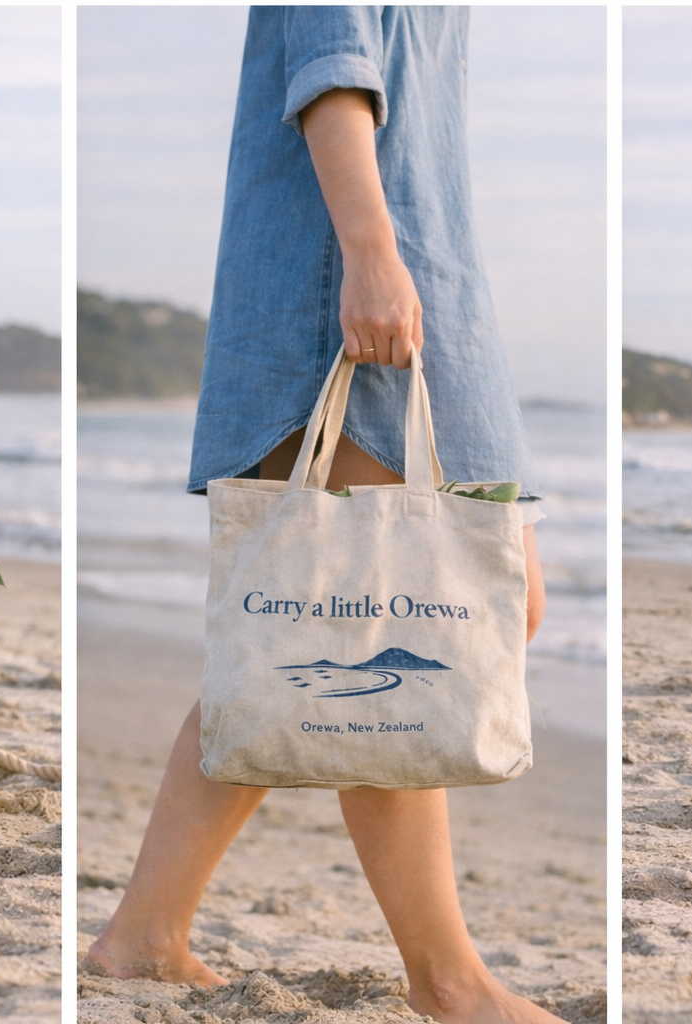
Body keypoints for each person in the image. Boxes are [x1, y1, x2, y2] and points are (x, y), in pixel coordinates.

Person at [86, 9, 560, 1023]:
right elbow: (331, 75)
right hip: (347, 287)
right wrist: (370, 252)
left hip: (423, 286)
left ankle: (145, 930)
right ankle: (447, 978)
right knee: (383, 621)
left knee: (337, 626)